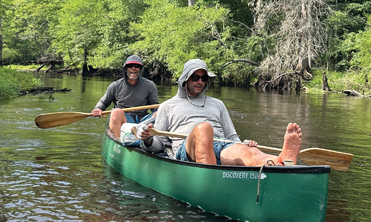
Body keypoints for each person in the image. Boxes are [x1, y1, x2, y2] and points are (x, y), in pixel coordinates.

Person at [138, 58, 303, 166]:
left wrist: (243, 143)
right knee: (204, 129)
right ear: (185, 79)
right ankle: (211, 182)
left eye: (204, 78)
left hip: (221, 145)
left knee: (249, 152)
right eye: (195, 77)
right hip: (187, 149)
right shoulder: (168, 106)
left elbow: (232, 137)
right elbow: (158, 145)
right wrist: (148, 140)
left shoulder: (217, 104)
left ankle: (284, 162)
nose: (200, 81)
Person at [92, 55, 159, 139]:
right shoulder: (115, 85)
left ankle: (149, 142)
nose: (133, 68)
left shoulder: (150, 85)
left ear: (140, 69)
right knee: (116, 112)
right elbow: (103, 102)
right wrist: (98, 108)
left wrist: (162, 112)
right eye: (130, 66)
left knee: (159, 113)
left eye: (137, 66)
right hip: (125, 118)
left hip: (143, 120)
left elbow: (155, 107)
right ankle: (118, 141)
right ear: (126, 69)